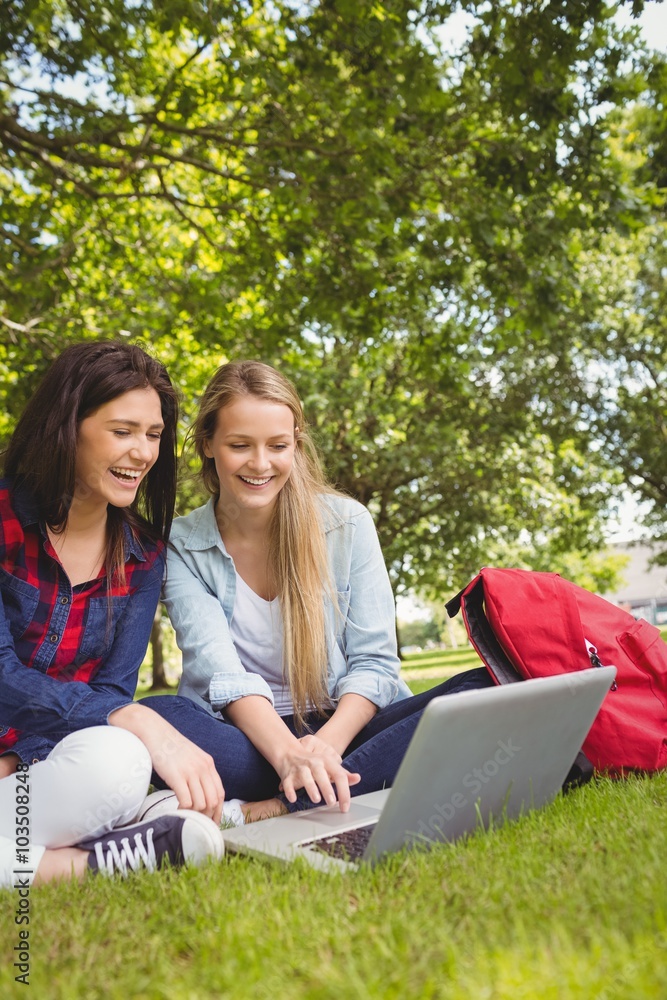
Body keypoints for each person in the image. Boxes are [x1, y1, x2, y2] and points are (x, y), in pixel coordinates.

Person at [143, 360, 491, 823]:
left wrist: (322, 749)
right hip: (245, 739)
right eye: (239, 445)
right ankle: (353, 781)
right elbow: (221, 674)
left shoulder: (347, 524)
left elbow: (375, 663)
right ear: (208, 444)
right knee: (158, 718)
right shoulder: (182, 545)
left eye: (278, 445)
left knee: (489, 686)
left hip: (345, 727)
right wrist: (289, 755)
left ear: (297, 444)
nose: (260, 464)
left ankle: (265, 809)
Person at [0, 341, 224, 888]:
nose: (143, 454)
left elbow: (110, 695)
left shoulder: (143, 555)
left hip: (40, 771)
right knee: (130, 732)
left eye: (153, 436)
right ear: (67, 426)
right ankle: (84, 863)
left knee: (121, 759)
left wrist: (24, 758)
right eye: (123, 432)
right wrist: (135, 717)